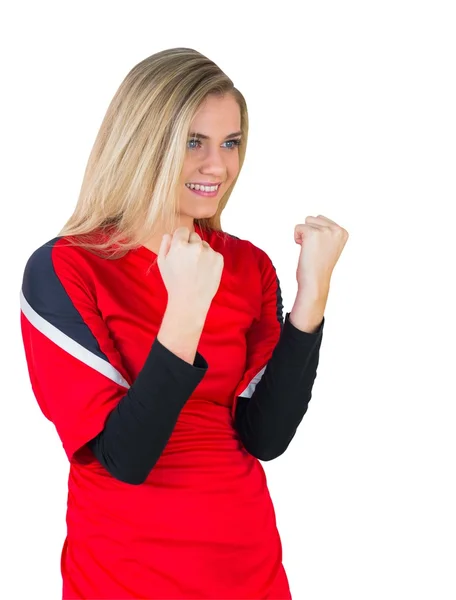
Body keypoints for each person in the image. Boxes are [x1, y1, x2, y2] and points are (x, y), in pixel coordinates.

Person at [19, 47, 348, 599]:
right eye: (193, 142)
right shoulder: (64, 268)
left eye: (230, 143)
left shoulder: (248, 267)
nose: (216, 166)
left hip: (248, 565)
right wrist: (186, 311)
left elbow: (264, 437)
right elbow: (124, 457)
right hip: (125, 574)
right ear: (144, 143)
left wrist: (311, 298)